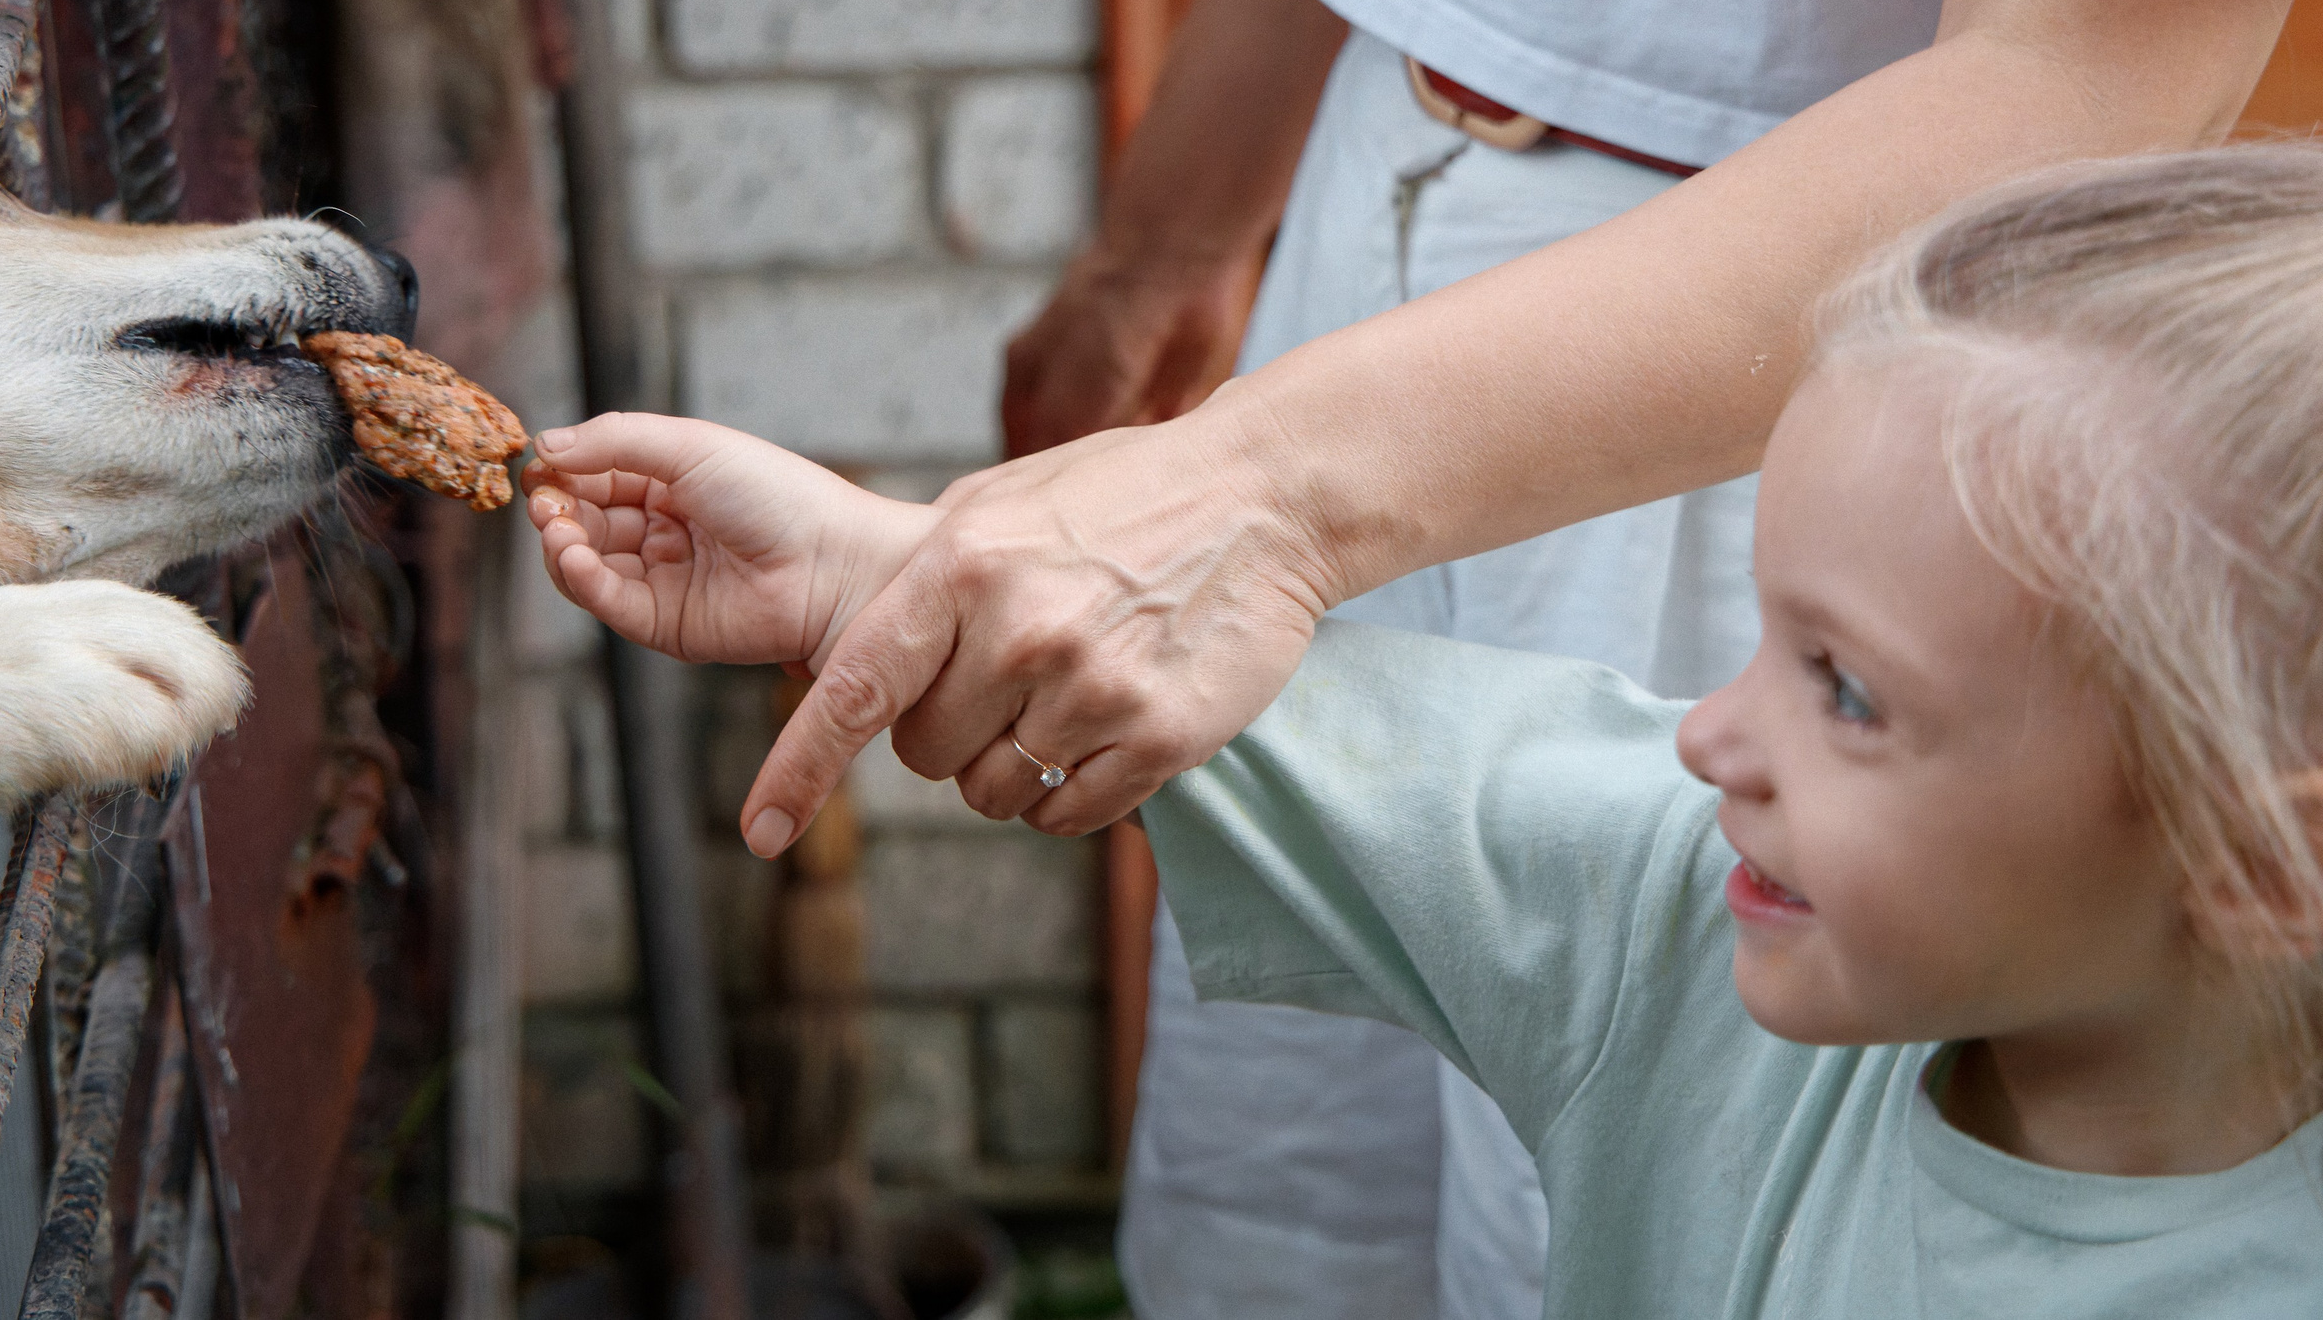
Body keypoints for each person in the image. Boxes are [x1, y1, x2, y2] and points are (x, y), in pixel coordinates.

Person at [526, 150, 2323, 1316]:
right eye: (1766, 645)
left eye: (1846, 691)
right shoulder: (1691, 917)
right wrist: (876, 571)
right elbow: (1327, 747)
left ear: (2257, 854)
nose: (1714, 735)